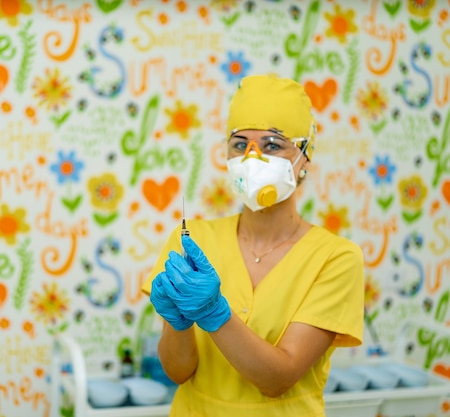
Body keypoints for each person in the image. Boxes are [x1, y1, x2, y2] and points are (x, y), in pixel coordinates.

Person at [141, 74, 365, 416]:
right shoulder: (192, 241)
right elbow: (177, 372)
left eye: (273, 145)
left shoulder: (335, 258)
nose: (252, 157)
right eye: (240, 144)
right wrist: (179, 324)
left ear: (304, 157)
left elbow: (278, 379)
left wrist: (215, 313)